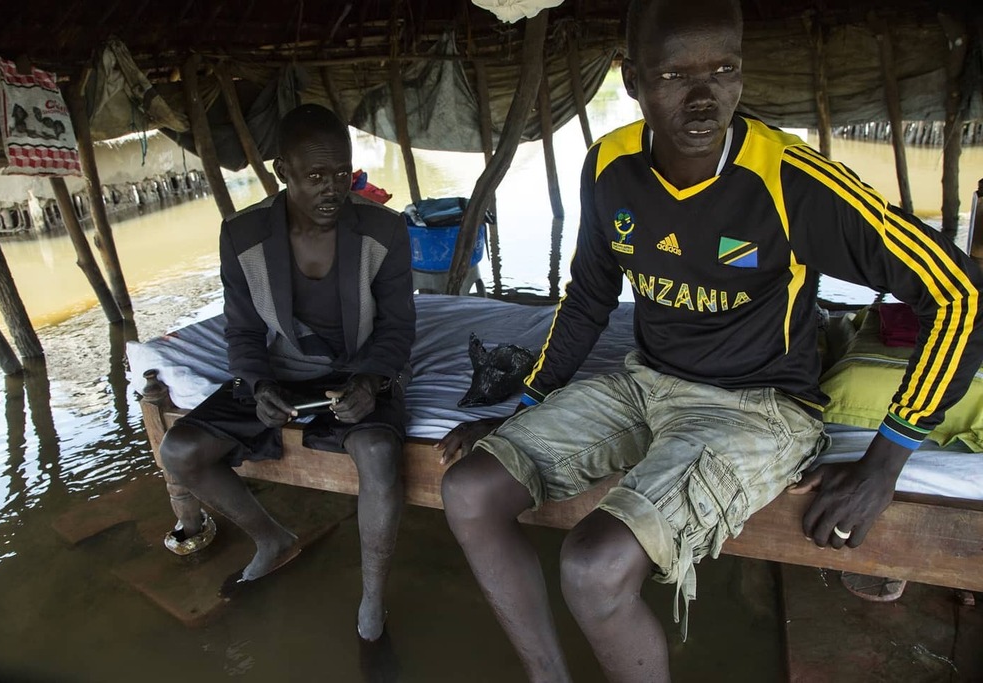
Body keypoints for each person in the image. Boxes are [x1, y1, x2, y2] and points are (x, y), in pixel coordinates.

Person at [437, 1, 983, 681]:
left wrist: (884, 463)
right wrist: (523, 406)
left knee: (592, 565)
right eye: (673, 76)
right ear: (631, 78)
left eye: (723, 70)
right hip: (646, 382)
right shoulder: (610, 167)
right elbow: (587, 298)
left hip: (761, 407)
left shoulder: (789, 179)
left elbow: (959, 292)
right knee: (468, 489)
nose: (704, 100)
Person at [160, 103, 415, 642]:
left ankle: (372, 600)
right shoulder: (242, 236)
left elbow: (397, 328)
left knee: (378, 451)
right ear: (283, 173)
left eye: (342, 174)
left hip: (361, 370)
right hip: (282, 370)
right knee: (179, 451)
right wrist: (259, 386)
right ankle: (271, 539)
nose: (332, 189)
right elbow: (244, 332)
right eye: (316, 176)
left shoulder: (385, 232)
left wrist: (370, 383)